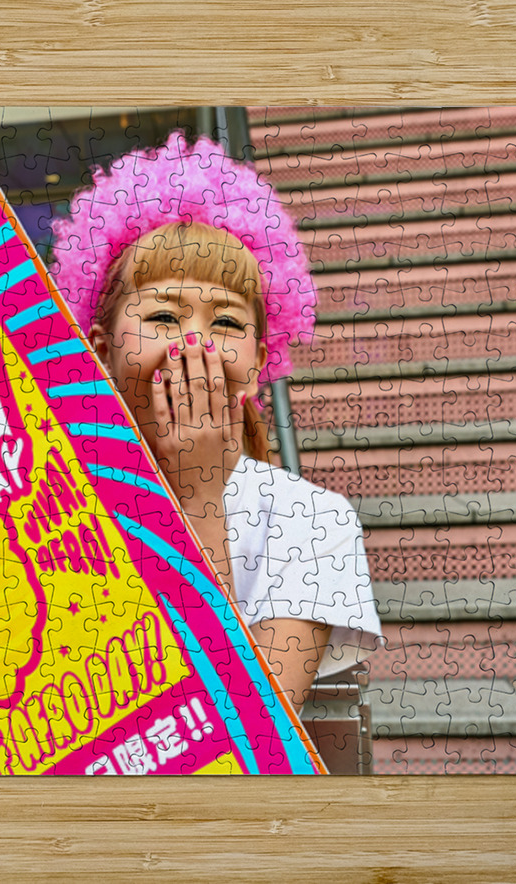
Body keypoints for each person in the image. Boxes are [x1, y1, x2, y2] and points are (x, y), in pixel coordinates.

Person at [50, 132, 383, 712]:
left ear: (258, 364)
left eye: (227, 324)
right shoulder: (46, 500)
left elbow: (257, 726)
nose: (196, 341)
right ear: (99, 349)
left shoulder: (312, 521)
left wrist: (199, 495)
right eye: (162, 315)